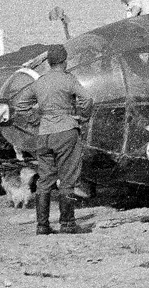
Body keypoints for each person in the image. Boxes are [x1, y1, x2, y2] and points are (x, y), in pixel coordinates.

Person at [13, 45, 94, 235]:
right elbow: (87, 99)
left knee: (44, 180)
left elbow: (20, 105)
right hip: (66, 132)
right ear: (65, 61)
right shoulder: (68, 80)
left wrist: (35, 120)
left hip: (44, 135)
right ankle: (68, 224)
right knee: (67, 179)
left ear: (48, 62)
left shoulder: (40, 82)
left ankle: (42, 226)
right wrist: (83, 117)